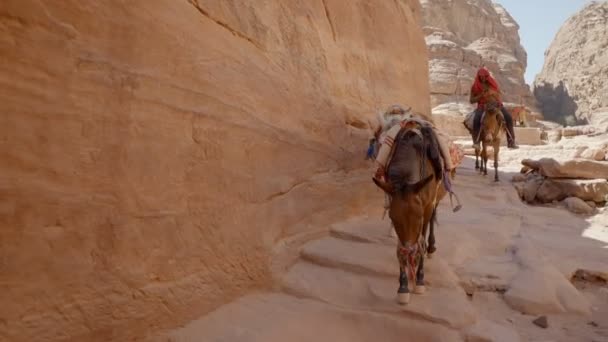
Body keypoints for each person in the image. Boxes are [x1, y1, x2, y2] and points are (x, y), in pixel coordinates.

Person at [469, 67, 518, 149]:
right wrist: (481, 95)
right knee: (476, 119)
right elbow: (471, 100)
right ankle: (476, 142)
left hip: (496, 104)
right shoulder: (475, 86)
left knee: (508, 118)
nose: (483, 78)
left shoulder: (492, 84)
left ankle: (511, 141)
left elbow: (499, 94)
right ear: (478, 76)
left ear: (487, 76)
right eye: (481, 76)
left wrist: (493, 93)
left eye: (484, 76)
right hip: (483, 106)